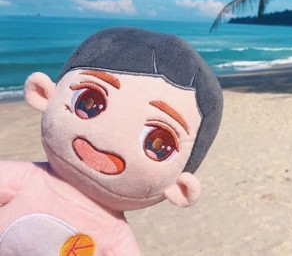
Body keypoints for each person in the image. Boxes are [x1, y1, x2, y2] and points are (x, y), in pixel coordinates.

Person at [0, 27, 223, 255]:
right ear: (43, 94)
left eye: (157, 143)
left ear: (180, 187)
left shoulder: (116, 237)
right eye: (88, 102)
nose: (106, 141)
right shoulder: (28, 178)